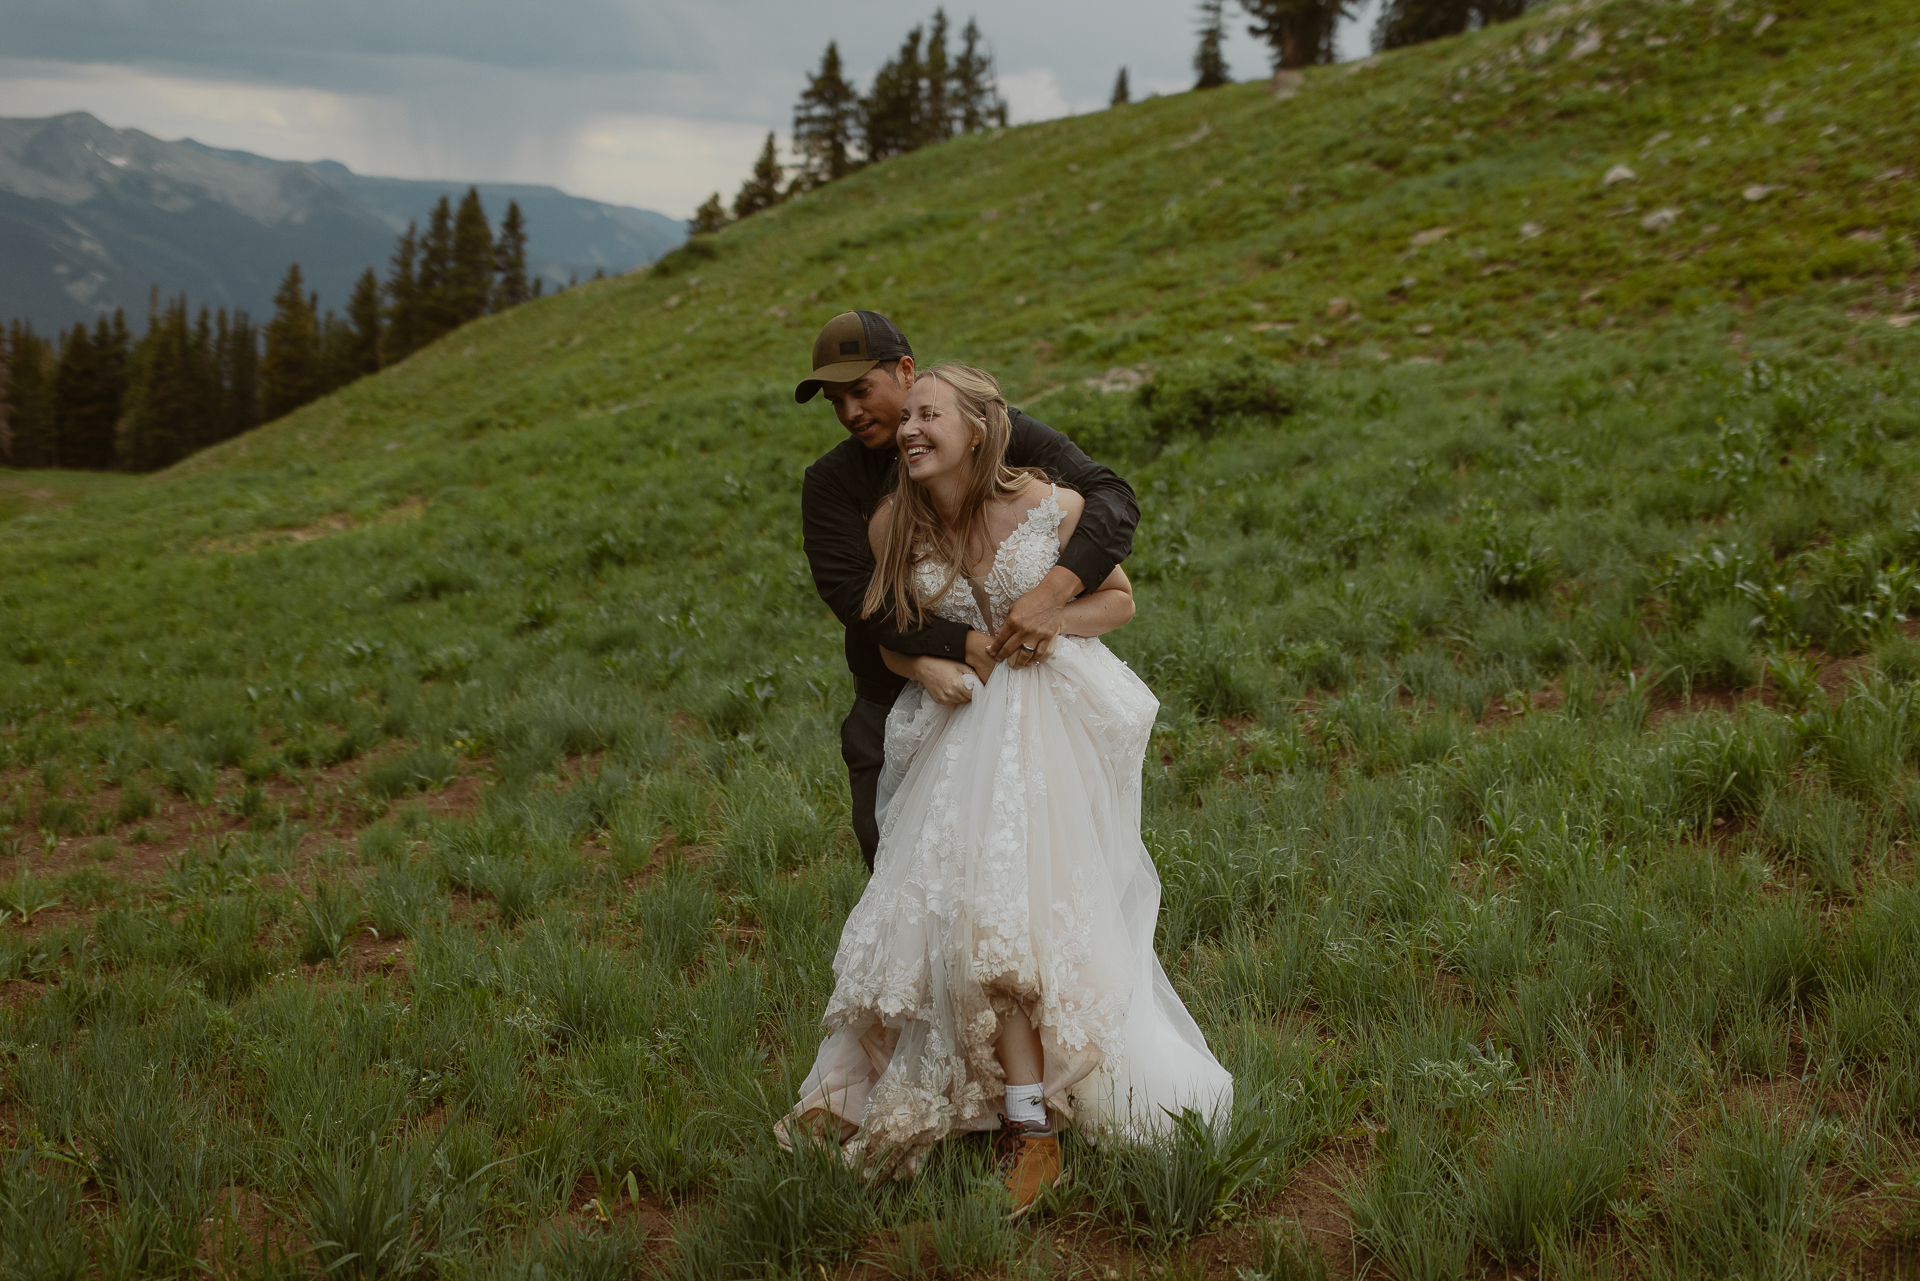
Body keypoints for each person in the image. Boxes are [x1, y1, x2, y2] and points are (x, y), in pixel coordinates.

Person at [782, 364, 1232, 1210]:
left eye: (927, 416)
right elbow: (883, 633)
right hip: (955, 732)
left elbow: (1120, 601)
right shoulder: (893, 526)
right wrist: (925, 663)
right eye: (904, 419)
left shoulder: (1047, 505)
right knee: (933, 908)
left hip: (1047, 721)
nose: (909, 431)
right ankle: (881, 1085)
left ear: (978, 430)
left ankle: (1032, 1122)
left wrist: (1047, 614)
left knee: (1015, 907)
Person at [797, 311, 1140, 871]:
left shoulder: (996, 429)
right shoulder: (832, 483)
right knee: (899, 866)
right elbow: (859, 601)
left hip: (1031, 700)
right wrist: (950, 648)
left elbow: (1110, 496)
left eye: (860, 391)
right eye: (836, 401)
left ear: (905, 371)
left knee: (1038, 866)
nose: (850, 413)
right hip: (893, 698)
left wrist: (1053, 593)